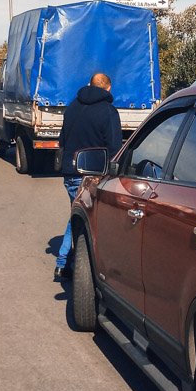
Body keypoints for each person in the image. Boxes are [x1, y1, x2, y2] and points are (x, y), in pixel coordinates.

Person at [54, 72, 121, 281]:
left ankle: (64, 263)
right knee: (84, 219)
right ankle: (71, 264)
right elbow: (114, 147)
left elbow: (62, 139)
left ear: (89, 84)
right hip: (93, 174)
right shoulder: (108, 112)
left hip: (70, 172)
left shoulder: (73, 107)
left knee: (78, 215)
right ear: (108, 88)